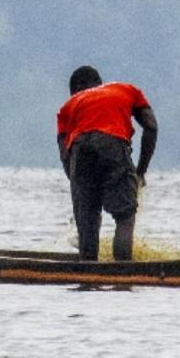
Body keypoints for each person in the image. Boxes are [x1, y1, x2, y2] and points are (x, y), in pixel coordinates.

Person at [56, 65, 157, 262]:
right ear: (99, 84)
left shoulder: (68, 106)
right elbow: (151, 127)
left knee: (87, 221)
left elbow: (65, 156)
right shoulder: (127, 90)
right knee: (125, 216)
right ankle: (122, 273)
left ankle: (88, 270)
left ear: (75, 89)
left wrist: (80, 190)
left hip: (80, 150)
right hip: (113, 146)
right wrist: (140, 172)